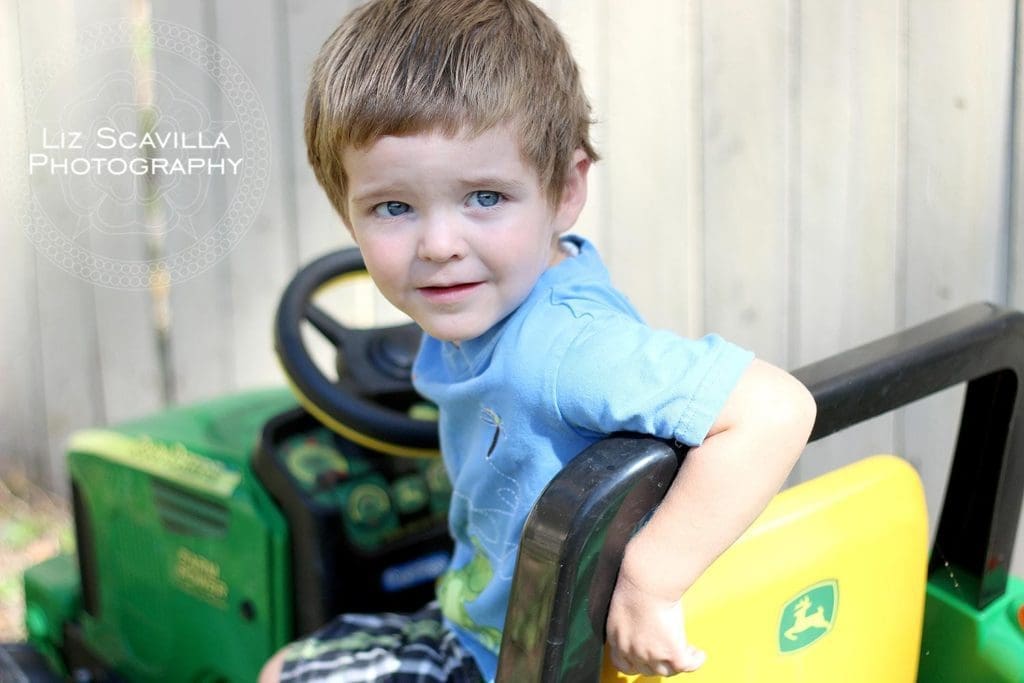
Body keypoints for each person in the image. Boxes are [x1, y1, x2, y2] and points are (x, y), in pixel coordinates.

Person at [260, 0, 816, 680]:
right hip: (496, 616)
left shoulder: (563, 348)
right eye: (394, 207)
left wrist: (653, 580)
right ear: (345, 207)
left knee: (286, 672)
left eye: (485, 198)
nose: (439, 246)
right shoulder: (504, 301)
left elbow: (777, 408)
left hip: (521, 656)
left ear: (566, 188)